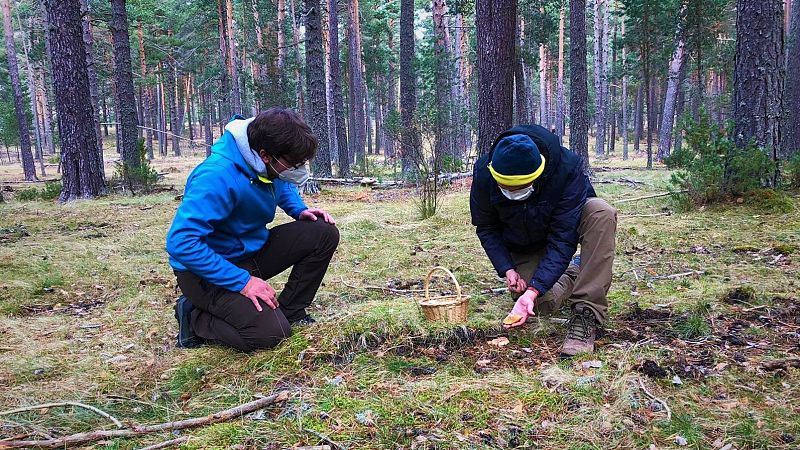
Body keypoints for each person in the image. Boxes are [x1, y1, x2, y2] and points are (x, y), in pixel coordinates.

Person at [166, 108, 339, 352]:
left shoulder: (263, 156)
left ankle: (289, 311)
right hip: (205, 273)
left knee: (322, 232)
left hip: (249, 252)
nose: (298, 170)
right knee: (271, 335)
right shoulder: (216, 176)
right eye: (293, 164)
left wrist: (299, 210)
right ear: (265, 155)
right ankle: (194, 317)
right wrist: (243, 283)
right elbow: (181, 242)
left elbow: (279, 180)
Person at [469, 124, 617, 357]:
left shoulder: (566, 168)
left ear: (539, 174)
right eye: (506, 187)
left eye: (521, 187)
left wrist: (534, 288)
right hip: (526, 243)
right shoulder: (484, 173)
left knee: (601, 212)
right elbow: (486, 227)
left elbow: (563, 238)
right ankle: (576, 270)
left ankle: (586, 311)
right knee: (539, 305)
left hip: (563, 231)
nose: (513, 192)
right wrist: (507, 269)